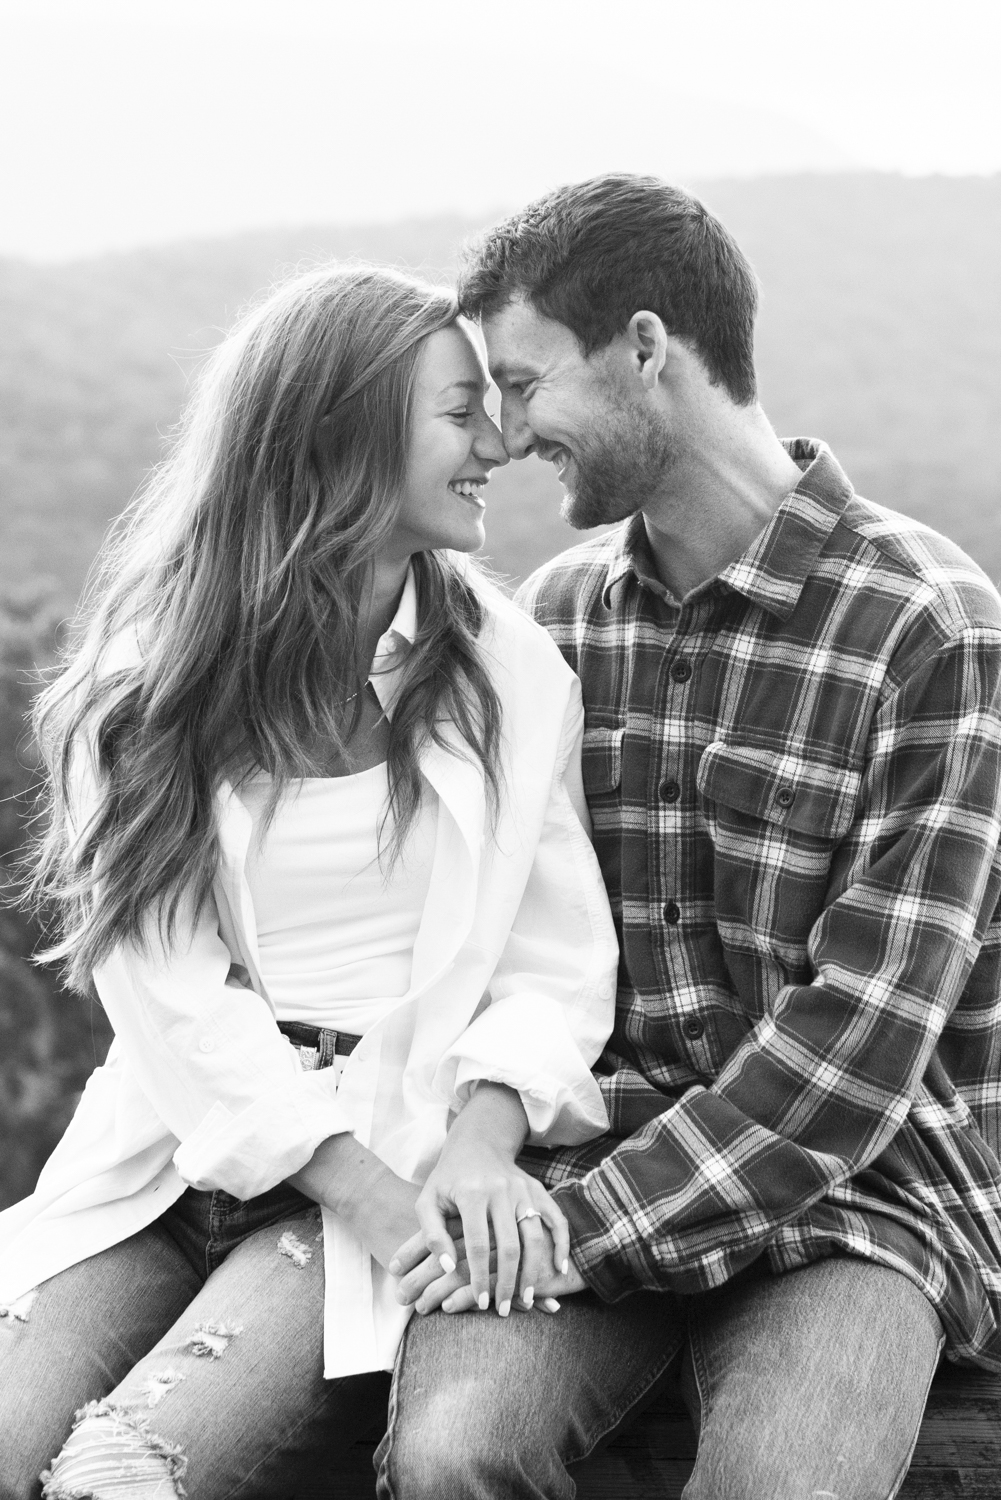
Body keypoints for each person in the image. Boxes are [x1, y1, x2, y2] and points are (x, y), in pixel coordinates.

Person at [385, 174, 1001, 1499]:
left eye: (523, 381)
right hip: (579, 1156)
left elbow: (854, 1052)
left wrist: (580, 1235)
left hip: (858, 1202)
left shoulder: (929, 628)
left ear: (647, 351)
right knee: (445, 1458)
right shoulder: (547, 621)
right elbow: (482, 945)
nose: (504, 432)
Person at [0, 264, 619, 1499]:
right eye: (458, 413)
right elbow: (168, 995)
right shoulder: (147, 683)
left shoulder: (510, 675)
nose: (495, 443)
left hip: (372, 1179)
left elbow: (558, 966)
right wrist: (376, 1197)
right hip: (169, 1158)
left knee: (120, 1476)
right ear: (343, 437)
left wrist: (480, 1149)